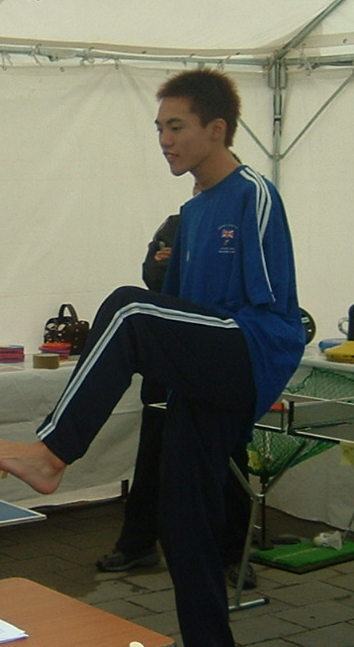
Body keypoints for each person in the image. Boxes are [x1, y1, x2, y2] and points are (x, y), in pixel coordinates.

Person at [0, 69, 303, 647]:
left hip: (248, 349)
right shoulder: (190, 214)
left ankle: (52, 453)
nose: (164, 140)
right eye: (158, 128)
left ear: (217, 129)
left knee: (127, 309)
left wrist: (251, 374)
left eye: (176, 127)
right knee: (183, 524)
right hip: (201, 374)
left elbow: (271, 309)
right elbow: (173, 313)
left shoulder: (253, 194)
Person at [97, 188, 255, 591]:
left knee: (230, 462)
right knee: (153, 455)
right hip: (168, 357)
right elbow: (153, 278)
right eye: (199, 188)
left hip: (219, 358)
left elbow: (245, 289)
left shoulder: (247, 225)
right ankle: (137, 543)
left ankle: (235, 555)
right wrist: (167, 267)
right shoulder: (174, 225)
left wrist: (189, 265)